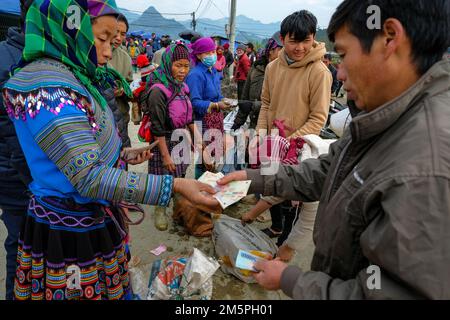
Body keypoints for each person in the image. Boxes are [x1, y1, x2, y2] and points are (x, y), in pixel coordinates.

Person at [219, 0, 450, 299]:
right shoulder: (383, 116)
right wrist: (250, 178)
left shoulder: (426, 163)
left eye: (342, 54)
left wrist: (292, 280)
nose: (339, 73)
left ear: (390, 38)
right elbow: (327, 170)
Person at [2, 0, 219, 300]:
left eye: (113, 40)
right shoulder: (46, 86)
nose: (108, 51)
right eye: (102, 39)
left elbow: (82, 149)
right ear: (70, 29)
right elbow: (88, 177)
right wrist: (177, 185)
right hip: (70, 231)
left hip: (92, 217)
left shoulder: (76, 76)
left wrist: (123, 154)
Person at [253, 10, 332, 243]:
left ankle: (284, 245)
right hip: (272, 144)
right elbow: (266, 104)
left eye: (305, 41)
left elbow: (318, 118)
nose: (299, 48)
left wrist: (287, 144)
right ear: (283, 38)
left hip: (297, 148)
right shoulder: (272, 68)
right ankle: (276, 227)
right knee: (270, 187)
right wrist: (260, 135)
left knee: (291, 198)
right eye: (293, 41)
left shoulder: (319, 72)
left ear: (314, 37)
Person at [141, 43, 202, 231]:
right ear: (168, 64)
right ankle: (160, 210)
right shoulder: (158, 91)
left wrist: (199, 140)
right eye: (178, 65)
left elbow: (190, 117)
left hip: (181, 139)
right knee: (163, 178)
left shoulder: (183, 88)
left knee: (180, 175)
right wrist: (166, 156)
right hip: (164, 142)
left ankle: (178, 207)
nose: (183, 70)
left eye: (186, 66)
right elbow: (157, 128)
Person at [0, 0, 33, 301]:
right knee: (21, 247)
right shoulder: (9, 59)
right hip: (16, 178)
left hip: (33, 178)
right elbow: (12, 131)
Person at [186, 37, 232, 179]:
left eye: (213, 51)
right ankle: (200, 186)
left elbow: (216, 95)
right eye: (207, 52)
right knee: (203, 157)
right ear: (199, 55)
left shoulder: (213, 71)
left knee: (213, 156)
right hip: (203, 122)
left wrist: (222, 100)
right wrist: (216, 105)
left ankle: (210, 183)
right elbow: (194, 103)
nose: (212, 55)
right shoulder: (195, 75)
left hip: (215, 120)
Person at [232, 32, 283, 131]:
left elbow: (280, 105)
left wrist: (255, 105)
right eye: (280, 49)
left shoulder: (285, 73)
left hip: (274, 129)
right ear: (270, 50)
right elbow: (245, 97)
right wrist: (237, 123)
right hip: (254, 124)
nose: (283, 54)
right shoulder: (256, 68)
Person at [109, 13, 133, 148]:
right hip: (98, 119)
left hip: (120, 116)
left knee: (123, 155)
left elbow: (131, 85)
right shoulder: (91, 52)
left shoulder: (125, 58)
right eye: (116, 31)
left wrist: (124, 90)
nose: (118, 37)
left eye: (123, 34)